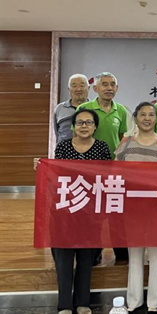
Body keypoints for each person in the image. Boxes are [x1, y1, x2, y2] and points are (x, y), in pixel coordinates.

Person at [114, 102, 157, 313]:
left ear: (156, 118)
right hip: (132, 207)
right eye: (143, 115)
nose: (147, 118)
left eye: (151, 115)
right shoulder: (126, 143)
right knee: (135, 253)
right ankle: (134, 301)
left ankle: (154, 303)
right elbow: (116, 171)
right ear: (135, 118)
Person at [51, 108, 112, 314]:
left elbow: (106, 178)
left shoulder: (102, 148)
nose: (84, 126)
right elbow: (56, 175)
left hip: (91, 213)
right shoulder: (63, 147)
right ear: (73, 126)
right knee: (64, 260)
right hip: (65, 212)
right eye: (80, 122)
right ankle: (65, 305)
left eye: (88, 122)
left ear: (95, 126)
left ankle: (83, 302)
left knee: (86, 259)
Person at [77, 72, 128, 158]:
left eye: (112, 85)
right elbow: (76, 136)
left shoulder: (121, 110)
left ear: (116, 88)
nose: (109, 88)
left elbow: (120, 138)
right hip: (89, 159)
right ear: (95, 88)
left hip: (113, 160)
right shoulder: (83, 108)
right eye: (105, 85)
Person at [54, 73, 89, 144]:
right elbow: (57, 132)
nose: (78, 89)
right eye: (74, 86)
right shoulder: (60, 108)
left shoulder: (95, 108)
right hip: (64, 149)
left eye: (82, 86)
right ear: (69, 89)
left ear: (88, 88)